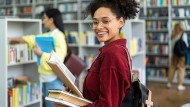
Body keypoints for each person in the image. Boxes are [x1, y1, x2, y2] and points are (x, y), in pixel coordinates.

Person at [54, 0, 139, 106]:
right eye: (95, 22)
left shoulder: (113, 55)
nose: (98, 27)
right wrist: (76, 96)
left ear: (120, 22)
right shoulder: (117, 50)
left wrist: (71, 105)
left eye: (105, 21)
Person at [9, 8, 67, 107]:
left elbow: (59, 59)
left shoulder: (59, 36)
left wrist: (41, 54)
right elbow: (32, 39)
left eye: (45, 18)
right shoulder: (49, 35)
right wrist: (12, 39)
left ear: (51, 20)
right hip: (45, 80)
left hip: (53, 81)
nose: (43, 21)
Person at [167, 22, 189, 91]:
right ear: (181, 27)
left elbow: (172, 46)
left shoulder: (173, 35)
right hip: (181, 54)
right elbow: (186, 45)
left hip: (174, 54)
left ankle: (169, 83)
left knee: (172, 67)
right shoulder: (183, 34)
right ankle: (179, 85)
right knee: (181, 69)